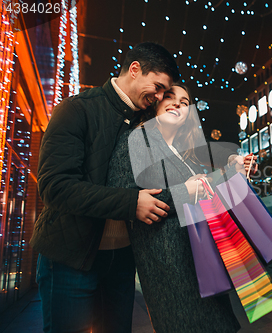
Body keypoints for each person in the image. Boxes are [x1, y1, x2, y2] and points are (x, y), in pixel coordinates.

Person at [30, 42, 180, 333]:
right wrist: (130, 203)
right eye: (158, 86)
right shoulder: (77, 110)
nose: (160, 97)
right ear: (135, 69)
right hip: (70, 257)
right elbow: (55, 186)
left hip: (121, 262)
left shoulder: (145, 122)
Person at [106, 83, 257, 332]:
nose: (178, 103)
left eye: (185, 102)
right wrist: (183, 192)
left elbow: (204, 193)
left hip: (205, 259)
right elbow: (124, 199)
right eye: (170, 96)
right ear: (155, 102)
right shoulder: (136, 139)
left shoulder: (185, 154)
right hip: (172, 271)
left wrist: (235, 172)